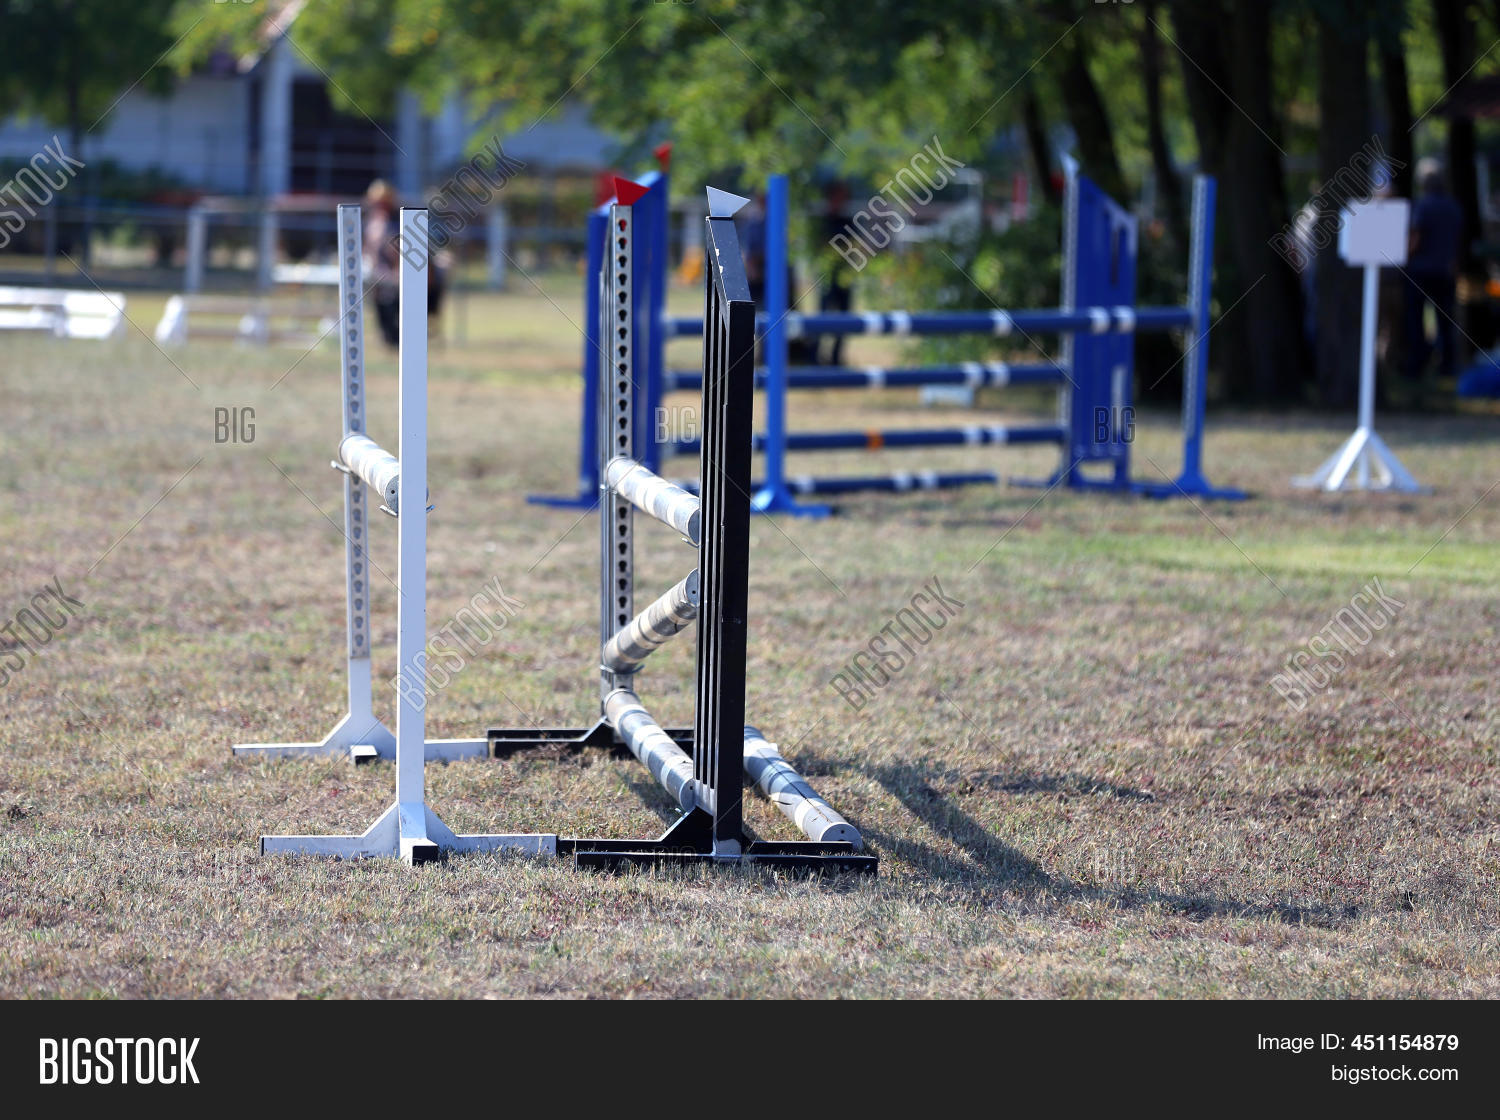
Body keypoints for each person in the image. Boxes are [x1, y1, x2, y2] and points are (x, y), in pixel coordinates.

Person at [1404, 159, 1464, 381]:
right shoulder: (1453, 207)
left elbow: (1416, 239)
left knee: (1416, 320)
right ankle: (1447, 365)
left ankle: (1417, 364)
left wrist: (1403, 256)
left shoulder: (1423, 205)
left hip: (1421, 271)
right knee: (1445, 320)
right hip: (1445, 271)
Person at [363, 180, 402, 347]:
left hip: (395, 270)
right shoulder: (372, 222)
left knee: (393, 298)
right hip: (377, 271)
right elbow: (368, 249)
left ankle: (395, 335)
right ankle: (386, 335)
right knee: (377, 298)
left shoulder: (397, 221)